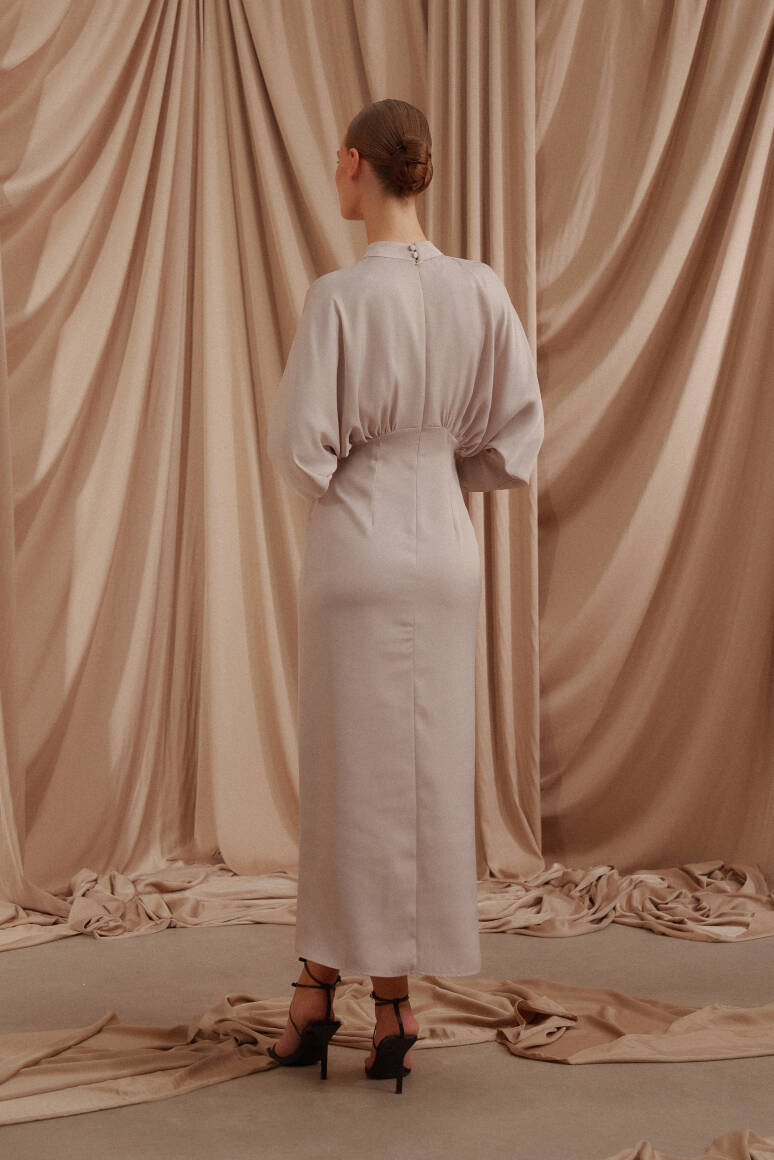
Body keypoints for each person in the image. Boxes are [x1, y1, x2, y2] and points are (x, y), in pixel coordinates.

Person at [266, 99, 544, 1091]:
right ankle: (381, 999)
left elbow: (300, 453)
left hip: (360, 548)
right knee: (420, 778)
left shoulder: (340, 297)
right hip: (447, 551)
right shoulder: (481, 287)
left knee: (348, 776)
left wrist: (376, 472)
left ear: (354, 164)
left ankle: (327, 991)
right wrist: (434, 470)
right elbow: (515, 439)